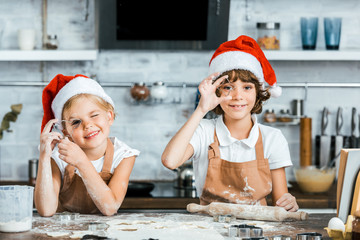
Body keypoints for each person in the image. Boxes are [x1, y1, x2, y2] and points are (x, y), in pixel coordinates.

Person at [162, 35, 299, 212]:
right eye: (228, 87)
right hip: (209, 230)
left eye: (247, 87)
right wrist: (201, 109)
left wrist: (289, 204)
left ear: (258, 92)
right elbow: (170, 161)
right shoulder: (204, 130)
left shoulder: (272, 138)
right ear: (217, 91)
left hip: (256, 232)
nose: (237, 96)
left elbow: (282, 204)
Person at [35, 74, 139, 216]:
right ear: (66, 131)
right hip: (62, 233)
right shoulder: (58, 156)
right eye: (76, 122)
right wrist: (44, 157)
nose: (88, 125)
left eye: (94, 115)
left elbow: (110, 208)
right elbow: (46, 210)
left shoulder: (123, 155)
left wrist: (81, 162)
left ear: (109, 116)